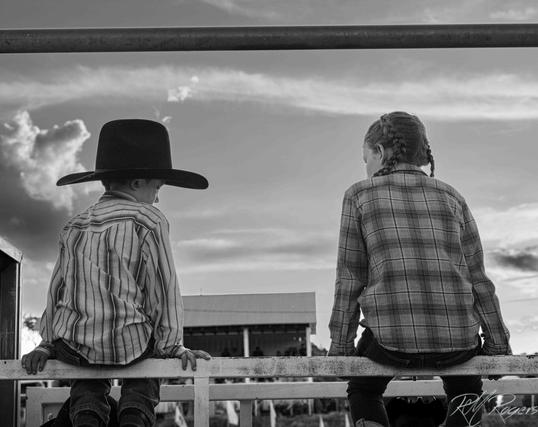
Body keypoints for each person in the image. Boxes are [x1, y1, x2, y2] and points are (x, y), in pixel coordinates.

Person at [21, 119, 212, 427]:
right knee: (151, 352)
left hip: (76, 345)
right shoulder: (149, 219)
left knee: (85, 359)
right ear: (138, 182)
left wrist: (47, 342)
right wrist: (174, 345)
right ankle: (136, 410)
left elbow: (57, 290)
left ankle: (87, 410)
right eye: (157, 188)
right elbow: (162, 288)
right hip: (131, 341)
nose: (158, 197)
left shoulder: (74, 225)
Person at [328, 112, 511, 427]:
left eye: (365, 159)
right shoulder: (453, 197)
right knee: (466, 387)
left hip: (389, 343)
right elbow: (479, 280)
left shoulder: (359, 195)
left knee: (363, 390)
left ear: (380, 153)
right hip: (458, 343)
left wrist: (341, 348)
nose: (366, 168)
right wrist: (498, 345)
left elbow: (350, 279)